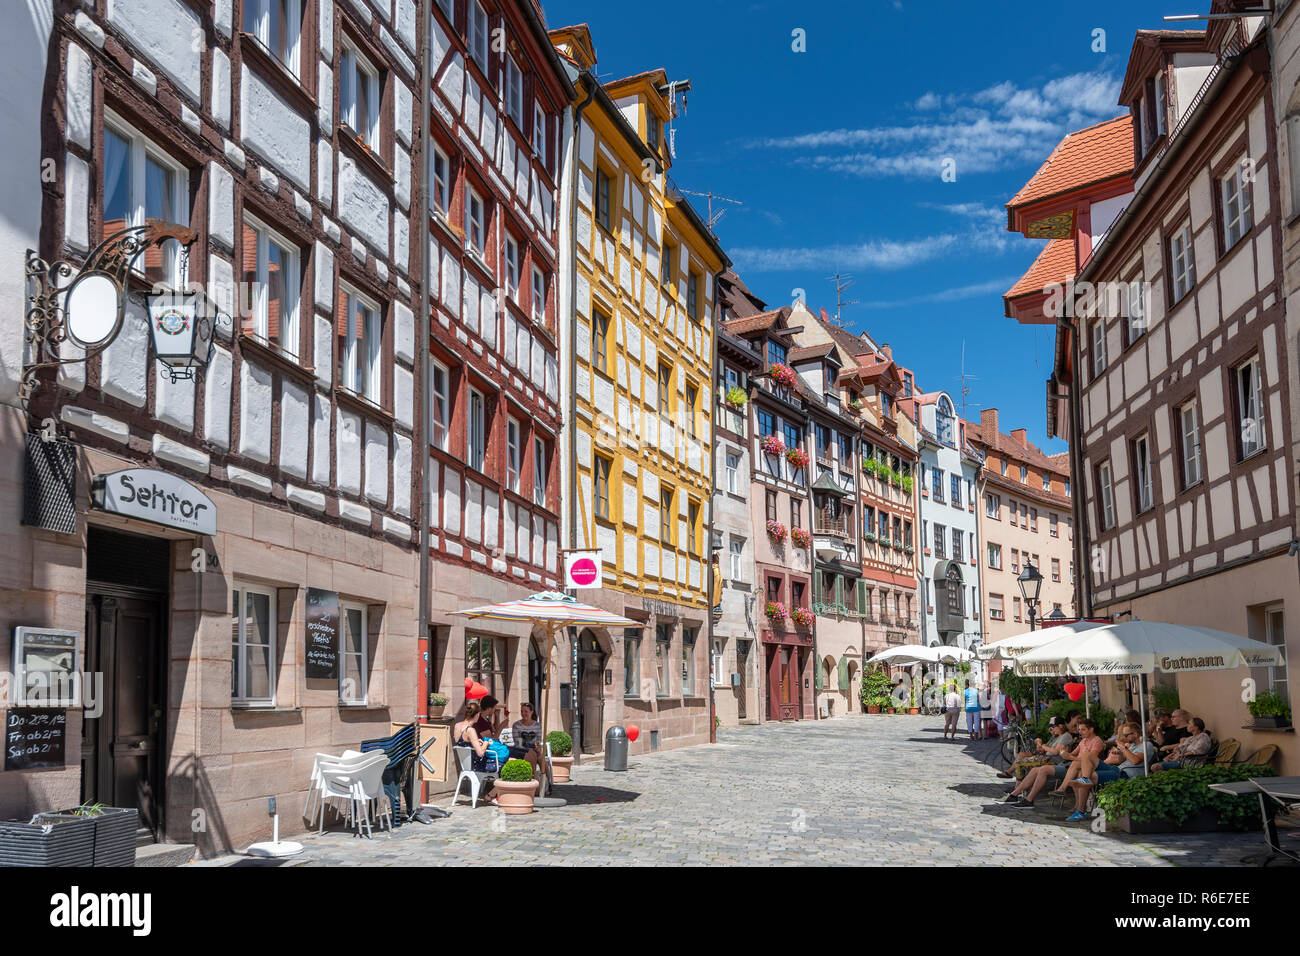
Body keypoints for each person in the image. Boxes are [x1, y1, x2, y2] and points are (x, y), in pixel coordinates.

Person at [1064, 723, 1155, 821]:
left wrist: (1124, 749)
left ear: (1136, 734)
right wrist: (1120, 753)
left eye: (1126, 735)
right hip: (1116, 769)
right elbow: (1121, 761)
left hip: (1125, 774)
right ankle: (1085, 780)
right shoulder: (1132, 746)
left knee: (1085, 774)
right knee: (1087, 755)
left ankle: (1081, 811)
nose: (1124, 737)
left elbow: (1135, 761)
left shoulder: (1146, 745)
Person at [996, 716, 1073, 778]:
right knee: (1021, 756)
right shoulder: (1055, 736)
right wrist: (1040, 745)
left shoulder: (1065, 736)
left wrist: (1044, 746)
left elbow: (1056, 751)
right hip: (1046, 757)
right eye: (1050, 728)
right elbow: (1046, 749)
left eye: (1053, 727)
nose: (1052, 730)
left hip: (1052, 760)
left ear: (1061, 726)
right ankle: (1014, 781)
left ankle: (1017, 787)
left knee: (1020, 764)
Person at [452, 700, 496, 796]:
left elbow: (463, 742)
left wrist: (475, 742)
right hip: (476, 764)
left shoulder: (457, 726)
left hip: (465, 764)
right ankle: (491, 795)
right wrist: (485, 743)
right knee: (505, 763)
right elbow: (480, 753)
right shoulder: (471, 730)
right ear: (477, 715)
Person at [508, 701, 550, 784]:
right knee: (531, 754)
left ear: (531, 712)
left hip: (534, 749)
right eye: (522, 711)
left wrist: (537, 748)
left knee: (541, 759)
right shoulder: (516, 725)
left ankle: (548, 783)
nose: (523, 713)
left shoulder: (537, 725)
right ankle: (532, 780)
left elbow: (538, 740)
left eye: (526, 711)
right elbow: (517, 742)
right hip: (520, 749)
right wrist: (529, 749)